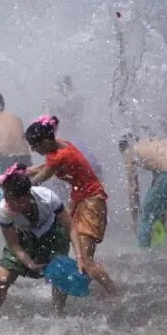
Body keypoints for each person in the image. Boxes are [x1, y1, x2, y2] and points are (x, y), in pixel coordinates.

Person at [25, 115, 119, 297]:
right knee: (67, 255)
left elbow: (40, 178)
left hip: (91, 203)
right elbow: (45, 167)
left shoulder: (60, 155)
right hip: (81, 201)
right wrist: (23, 172)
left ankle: (116, 296)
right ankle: (74, 293)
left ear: (45, 142)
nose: (33, 149)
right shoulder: (60, 144)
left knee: (85, 261)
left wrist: (18, 184)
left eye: (35, 146)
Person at [0, 164, 79, 315]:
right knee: (1, 281)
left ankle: (58, 316)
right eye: (7, 198)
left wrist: (81, 258)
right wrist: (30, 263)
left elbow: (70, 227)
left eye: (14, 200)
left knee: (60, 275)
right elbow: (13, 244)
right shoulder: (4, 210)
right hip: (23, 236)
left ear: (26, 196)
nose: (9, 204)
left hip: (53, 233)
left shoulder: (47, 198)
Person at [119, 132, 167, 253]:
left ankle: (143, 255)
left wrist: (135, 220)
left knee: (146, 215)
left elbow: (133, 189)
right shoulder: (154, 142)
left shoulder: (129, 151)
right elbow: (159, 176)